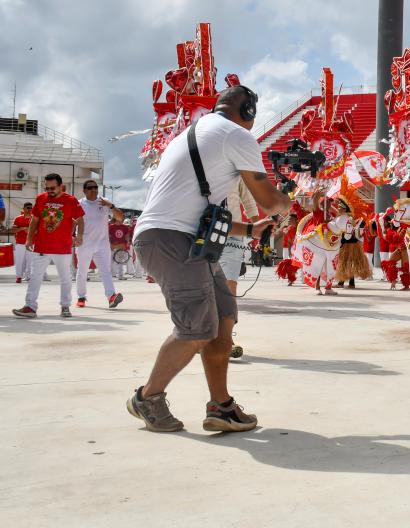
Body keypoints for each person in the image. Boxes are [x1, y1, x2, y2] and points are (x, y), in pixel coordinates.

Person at [127, 86, 290, 433]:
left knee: (224, 317)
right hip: (174, 239)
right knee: (197, 327)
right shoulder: (236, 135)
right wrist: (286, 203)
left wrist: (250, 229)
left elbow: (202, 212)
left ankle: (221, 406)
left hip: (179, 237)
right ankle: (147, 397)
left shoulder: (195, 133)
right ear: (248, 110)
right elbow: (268, 199)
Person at [13, 173, 85, 318]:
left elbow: (80, 219)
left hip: (62, 247)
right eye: (47, 188)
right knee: (35, 277)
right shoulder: (41, 198)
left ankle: (65, 306)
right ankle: (30, 307)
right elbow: (34, 220)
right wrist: (29, 239)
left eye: (53, 188)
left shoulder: (71, 200)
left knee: (65, 278)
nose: (50, 191)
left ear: (61, 186)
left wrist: (79, 235)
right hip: (41, 246)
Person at [75, 180, 125, 308]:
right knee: (82, 271)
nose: (94, 190)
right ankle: (81, 296)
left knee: (105, 271)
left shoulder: (104, 201)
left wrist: (111, 206)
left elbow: (120, 218)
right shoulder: (79, 204)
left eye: (95, 187)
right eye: (90, 188)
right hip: (85, 244)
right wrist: (74, 237)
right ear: (84, 191)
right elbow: (73, 222)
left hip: (102, 244)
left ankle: (111, 297)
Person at [11, 202, 33, 284]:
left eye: (31, 208)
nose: (29, 209)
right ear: (23, 209)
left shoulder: (34, 218)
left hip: (31, 243)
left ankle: (29, 276)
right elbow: (13, 230)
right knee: (19, 261)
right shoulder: (18, 218)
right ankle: (18, 277)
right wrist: (23, 228)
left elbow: (38, 231)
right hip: (20, 243)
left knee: (31, 261)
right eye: (28, 208)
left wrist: (30, 230)